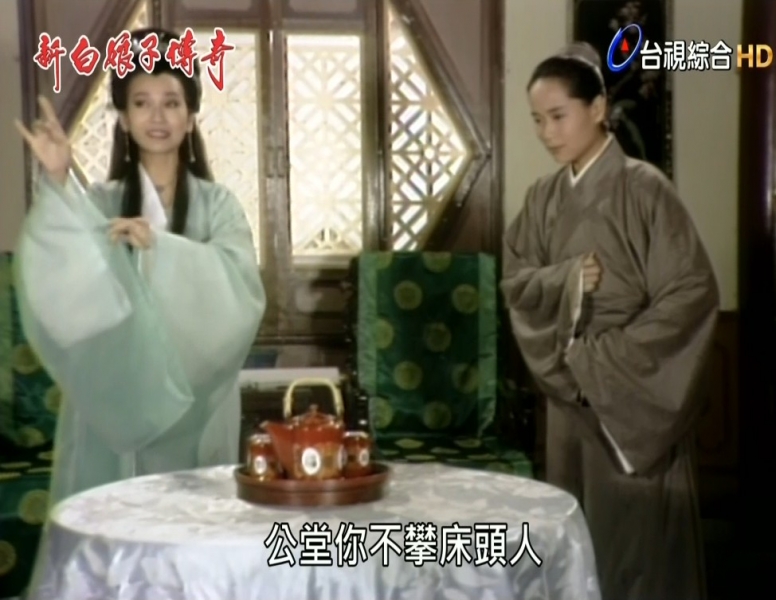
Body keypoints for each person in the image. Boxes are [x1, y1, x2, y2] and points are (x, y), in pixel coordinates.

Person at [12, 27, 266, 508]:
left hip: (198, 401)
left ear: (191, 116)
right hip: (117, 397)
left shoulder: (219, 206)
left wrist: (160, 249)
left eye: (171, 102)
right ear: (124, 120)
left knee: (193, 526)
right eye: (142, 103)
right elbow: (64, 283)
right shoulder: (102, 203)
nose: (157, 116)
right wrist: (58, 179)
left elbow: (242, 290)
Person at [500, 42, 718, 600]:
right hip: (568, 390)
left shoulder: (646, 189)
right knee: (572, 533)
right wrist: (566, 279)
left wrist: (607, 360)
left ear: (598, 108)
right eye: (537, 120)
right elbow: (517, 282)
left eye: (558, 116)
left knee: (634, 541)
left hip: (631, 394)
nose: (547, 133)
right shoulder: (543, 198)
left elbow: (691, 291)